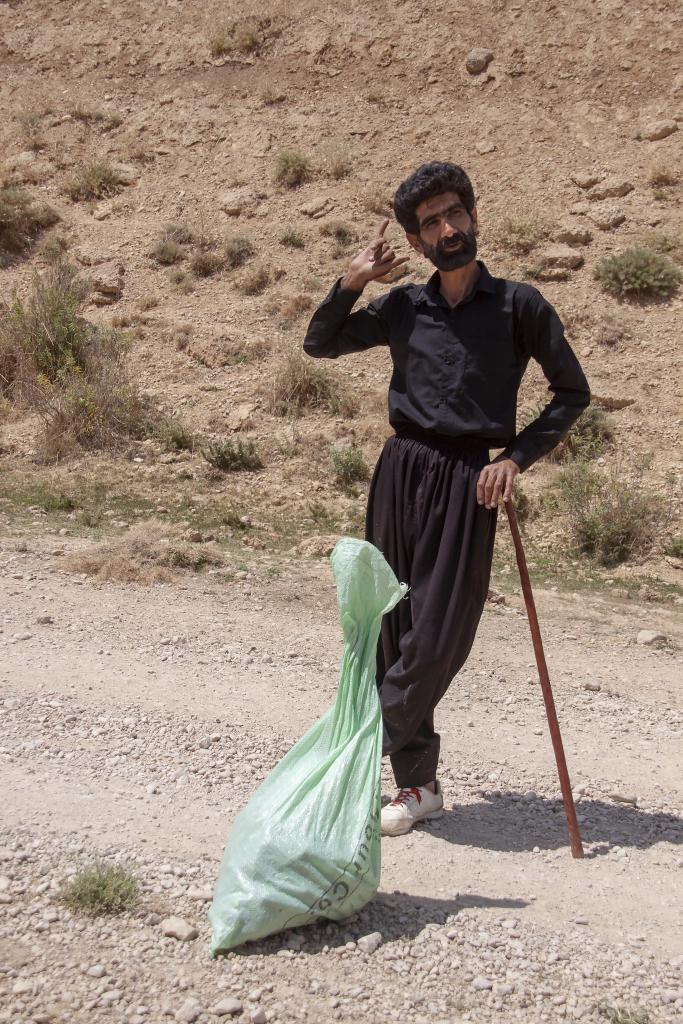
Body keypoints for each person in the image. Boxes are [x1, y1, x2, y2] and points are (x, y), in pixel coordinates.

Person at [302, 162, 590, 836]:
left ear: (471, 215)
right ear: (416, 240)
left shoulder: (519, 305)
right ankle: (417, 784)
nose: (447, 228)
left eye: (453, 212)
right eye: (430, 222)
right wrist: (351, 282)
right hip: (399, 471)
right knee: (390, 630)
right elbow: (319, 343)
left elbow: (570, 392)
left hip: (469, 479)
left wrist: (515, 457)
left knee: (436, 635)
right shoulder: (403, 306)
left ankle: (353, 743)